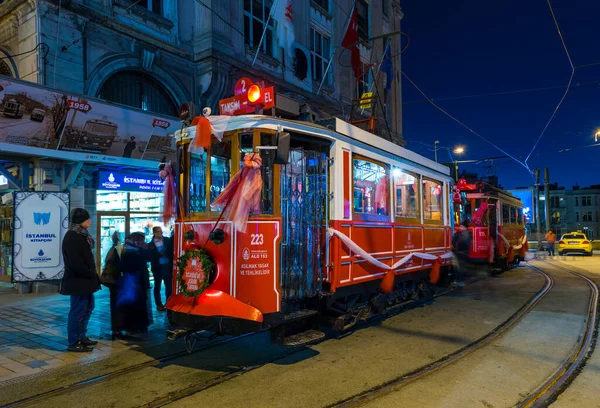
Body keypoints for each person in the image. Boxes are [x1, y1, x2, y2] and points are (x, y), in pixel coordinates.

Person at [60, 208, 100, 352]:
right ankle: (74, 341)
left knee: (87, 308)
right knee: (78, 310)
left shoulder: (81, 235)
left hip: (86, 281)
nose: (90, 220)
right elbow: (75, 262)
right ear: (80, 220)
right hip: (78, 281)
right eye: (87, 218)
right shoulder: (72, 237)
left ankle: (81, 336)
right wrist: (89, 272)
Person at [117, 232, 153, 333]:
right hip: (133, 281)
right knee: (134, 304)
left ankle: (140, 325)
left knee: (140, 303)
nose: (142, 242)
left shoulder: (136, 250)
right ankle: (134, 325)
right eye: (140, 240)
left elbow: (149, 257)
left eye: (142, 240)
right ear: (135, 240)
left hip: (139, 281)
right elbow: (127, 266)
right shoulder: (130, 250)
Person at [104, 232, 125, 340]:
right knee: (119, 306)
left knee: (114, 306)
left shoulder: (111, 249)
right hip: (118, 282)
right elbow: (121, 266)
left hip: (113, 282)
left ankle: (115, 329)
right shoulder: (118, 249)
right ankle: (118, 329)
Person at [148, 227, 173, 311]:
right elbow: (151, 257)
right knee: (157, 286)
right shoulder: (150, 244)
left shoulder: (167, 240)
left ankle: (169, 303)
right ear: (154, 233)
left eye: (161, 231)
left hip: (167, 265)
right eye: (158, 231)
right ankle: (159, 304)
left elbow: (171, 250)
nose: (160, 233)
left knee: (169, 285)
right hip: (157, 267)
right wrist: (159, 254)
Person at [452, 220, 472, 287]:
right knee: (459, 267)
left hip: (462, 253)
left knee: (459, 268)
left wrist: (456, 249)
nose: (460, 228)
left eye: (461, 226)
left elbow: (462, 242)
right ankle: (459, 281)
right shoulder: (465, 233)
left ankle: (460, 281)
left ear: (465, 227)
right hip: (463, 253)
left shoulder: (465, 234)